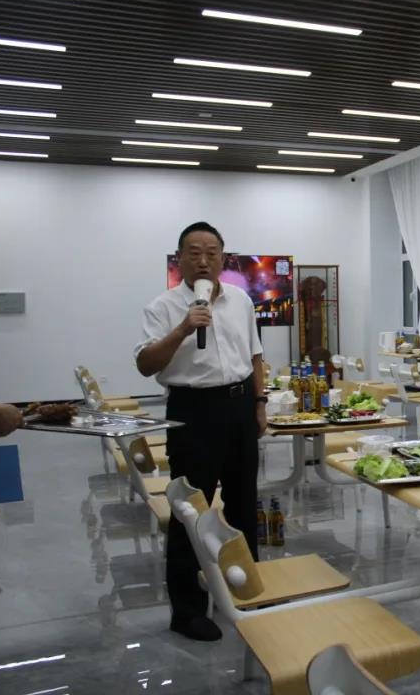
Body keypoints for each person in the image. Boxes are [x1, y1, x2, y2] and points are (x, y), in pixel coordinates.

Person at [134, 222, 266, 641]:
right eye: (194, 253)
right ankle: (187, 610)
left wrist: (259, 403)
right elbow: (146, 364)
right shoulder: (162, 307)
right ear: (180, 259)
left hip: (240, 407)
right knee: (190, 510)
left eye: (212, 252)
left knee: (244, 503)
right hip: (192, 412)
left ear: (224, 258)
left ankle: (247, 591)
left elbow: (255, 356)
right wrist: (184, 328)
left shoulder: (241, 300)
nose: (204, 260)